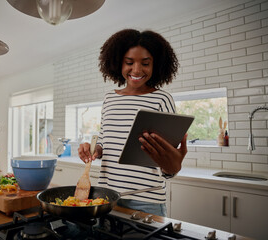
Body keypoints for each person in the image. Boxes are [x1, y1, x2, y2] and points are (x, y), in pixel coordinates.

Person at [78, 29, 187, 217]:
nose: (136, 70)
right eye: (129, 62)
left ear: (156, 65)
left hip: (146, 199)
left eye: (145, 63)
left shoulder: (161, 99)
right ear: (118, 62)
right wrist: (95, 149)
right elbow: (104, 141)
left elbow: (168, 155)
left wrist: (173, 163)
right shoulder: (109, 98)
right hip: (106, 196)